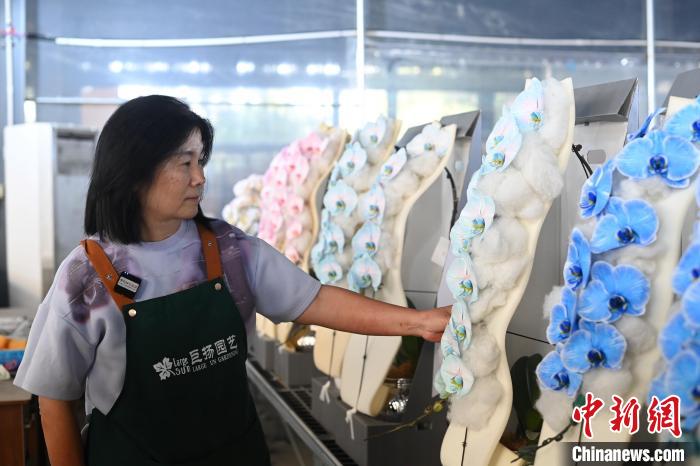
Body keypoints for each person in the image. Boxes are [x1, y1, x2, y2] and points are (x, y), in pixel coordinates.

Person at [14, 95, 451, 466]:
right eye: (184, 163)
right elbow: (54, 398)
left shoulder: (227, 250)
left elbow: (314, 301)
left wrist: (416, 322)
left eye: (200, 161)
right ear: (134, 170)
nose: (199, 177)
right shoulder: (87, 276)